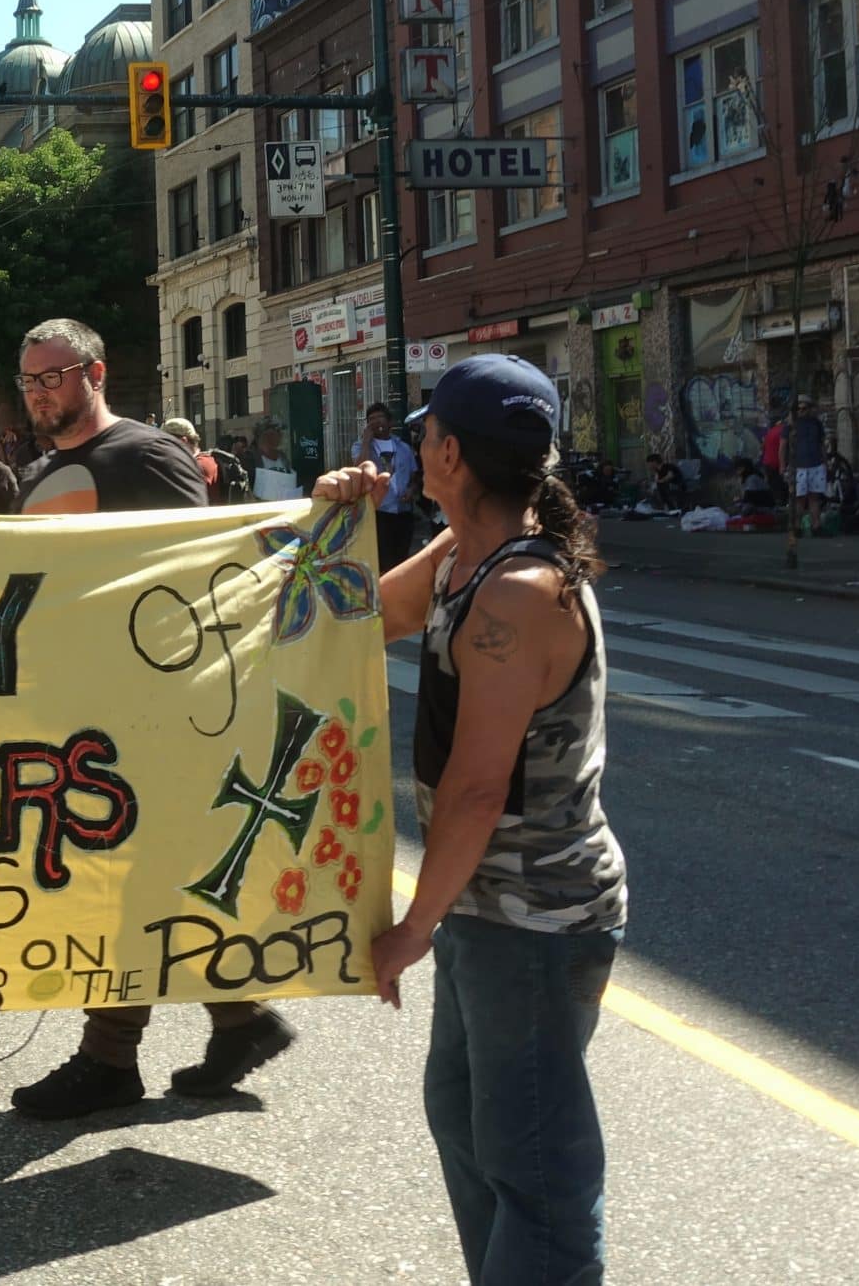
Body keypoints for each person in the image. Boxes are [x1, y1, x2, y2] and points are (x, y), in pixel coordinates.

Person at [313, 355, 626, 1285]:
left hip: (537, 915)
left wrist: (413, 927)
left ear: (449, 452)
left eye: (422, 435)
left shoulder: (518, 592)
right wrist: (340, 516)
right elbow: (356, 614)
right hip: (495, 910)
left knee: (537, 1166)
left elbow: (479, 789)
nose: (413, 448)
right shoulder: (466, 558)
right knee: (462, 1110)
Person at [7, 317, 295, 1118]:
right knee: (152, 875)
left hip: (161, 709)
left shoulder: (144, 454)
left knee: (131, 879)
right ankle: (240, 1018)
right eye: (28, 380)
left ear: (95, 371)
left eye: (52, 375)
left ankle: (110, 1057)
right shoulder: (46, 467)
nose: (39, 392)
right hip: (88, 706)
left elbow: (192, 569)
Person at [357, 405, 421, 569]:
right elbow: (359, 470)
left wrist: (411, 490)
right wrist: (366, 441)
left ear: (390, 422)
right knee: (382, 560)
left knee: (401, 560)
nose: (375, 422)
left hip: (403, 512)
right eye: (370, 419)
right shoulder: (361, 447)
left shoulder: (404, 448)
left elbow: (415, 477)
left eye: (379, 417)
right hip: (379, 512)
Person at [783, 397, 829, 537]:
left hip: (816, 464)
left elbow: (821, 445)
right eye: (800, 409)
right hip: (798, 466)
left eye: (805, 408)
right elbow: (783, 446)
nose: (802, 411)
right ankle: (796, 527)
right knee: (800, 498)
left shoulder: (816, 424)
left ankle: (816, 526)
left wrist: (825, 463)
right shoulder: (791, 425)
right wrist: (782, 466)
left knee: (814, 497)